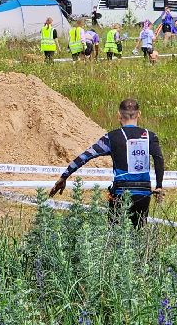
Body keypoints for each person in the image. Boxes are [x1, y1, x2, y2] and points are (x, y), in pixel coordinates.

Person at [49, 97, 165, 228]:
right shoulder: (150, 136)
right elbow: (158, 158)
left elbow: (85, 156)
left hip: (121, 193)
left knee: (114, 236)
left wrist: (64, 176)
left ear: (118, 115)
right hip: (143, 193)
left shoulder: (111, 137)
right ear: (139, 114)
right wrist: (159, 185)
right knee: (137, 234)